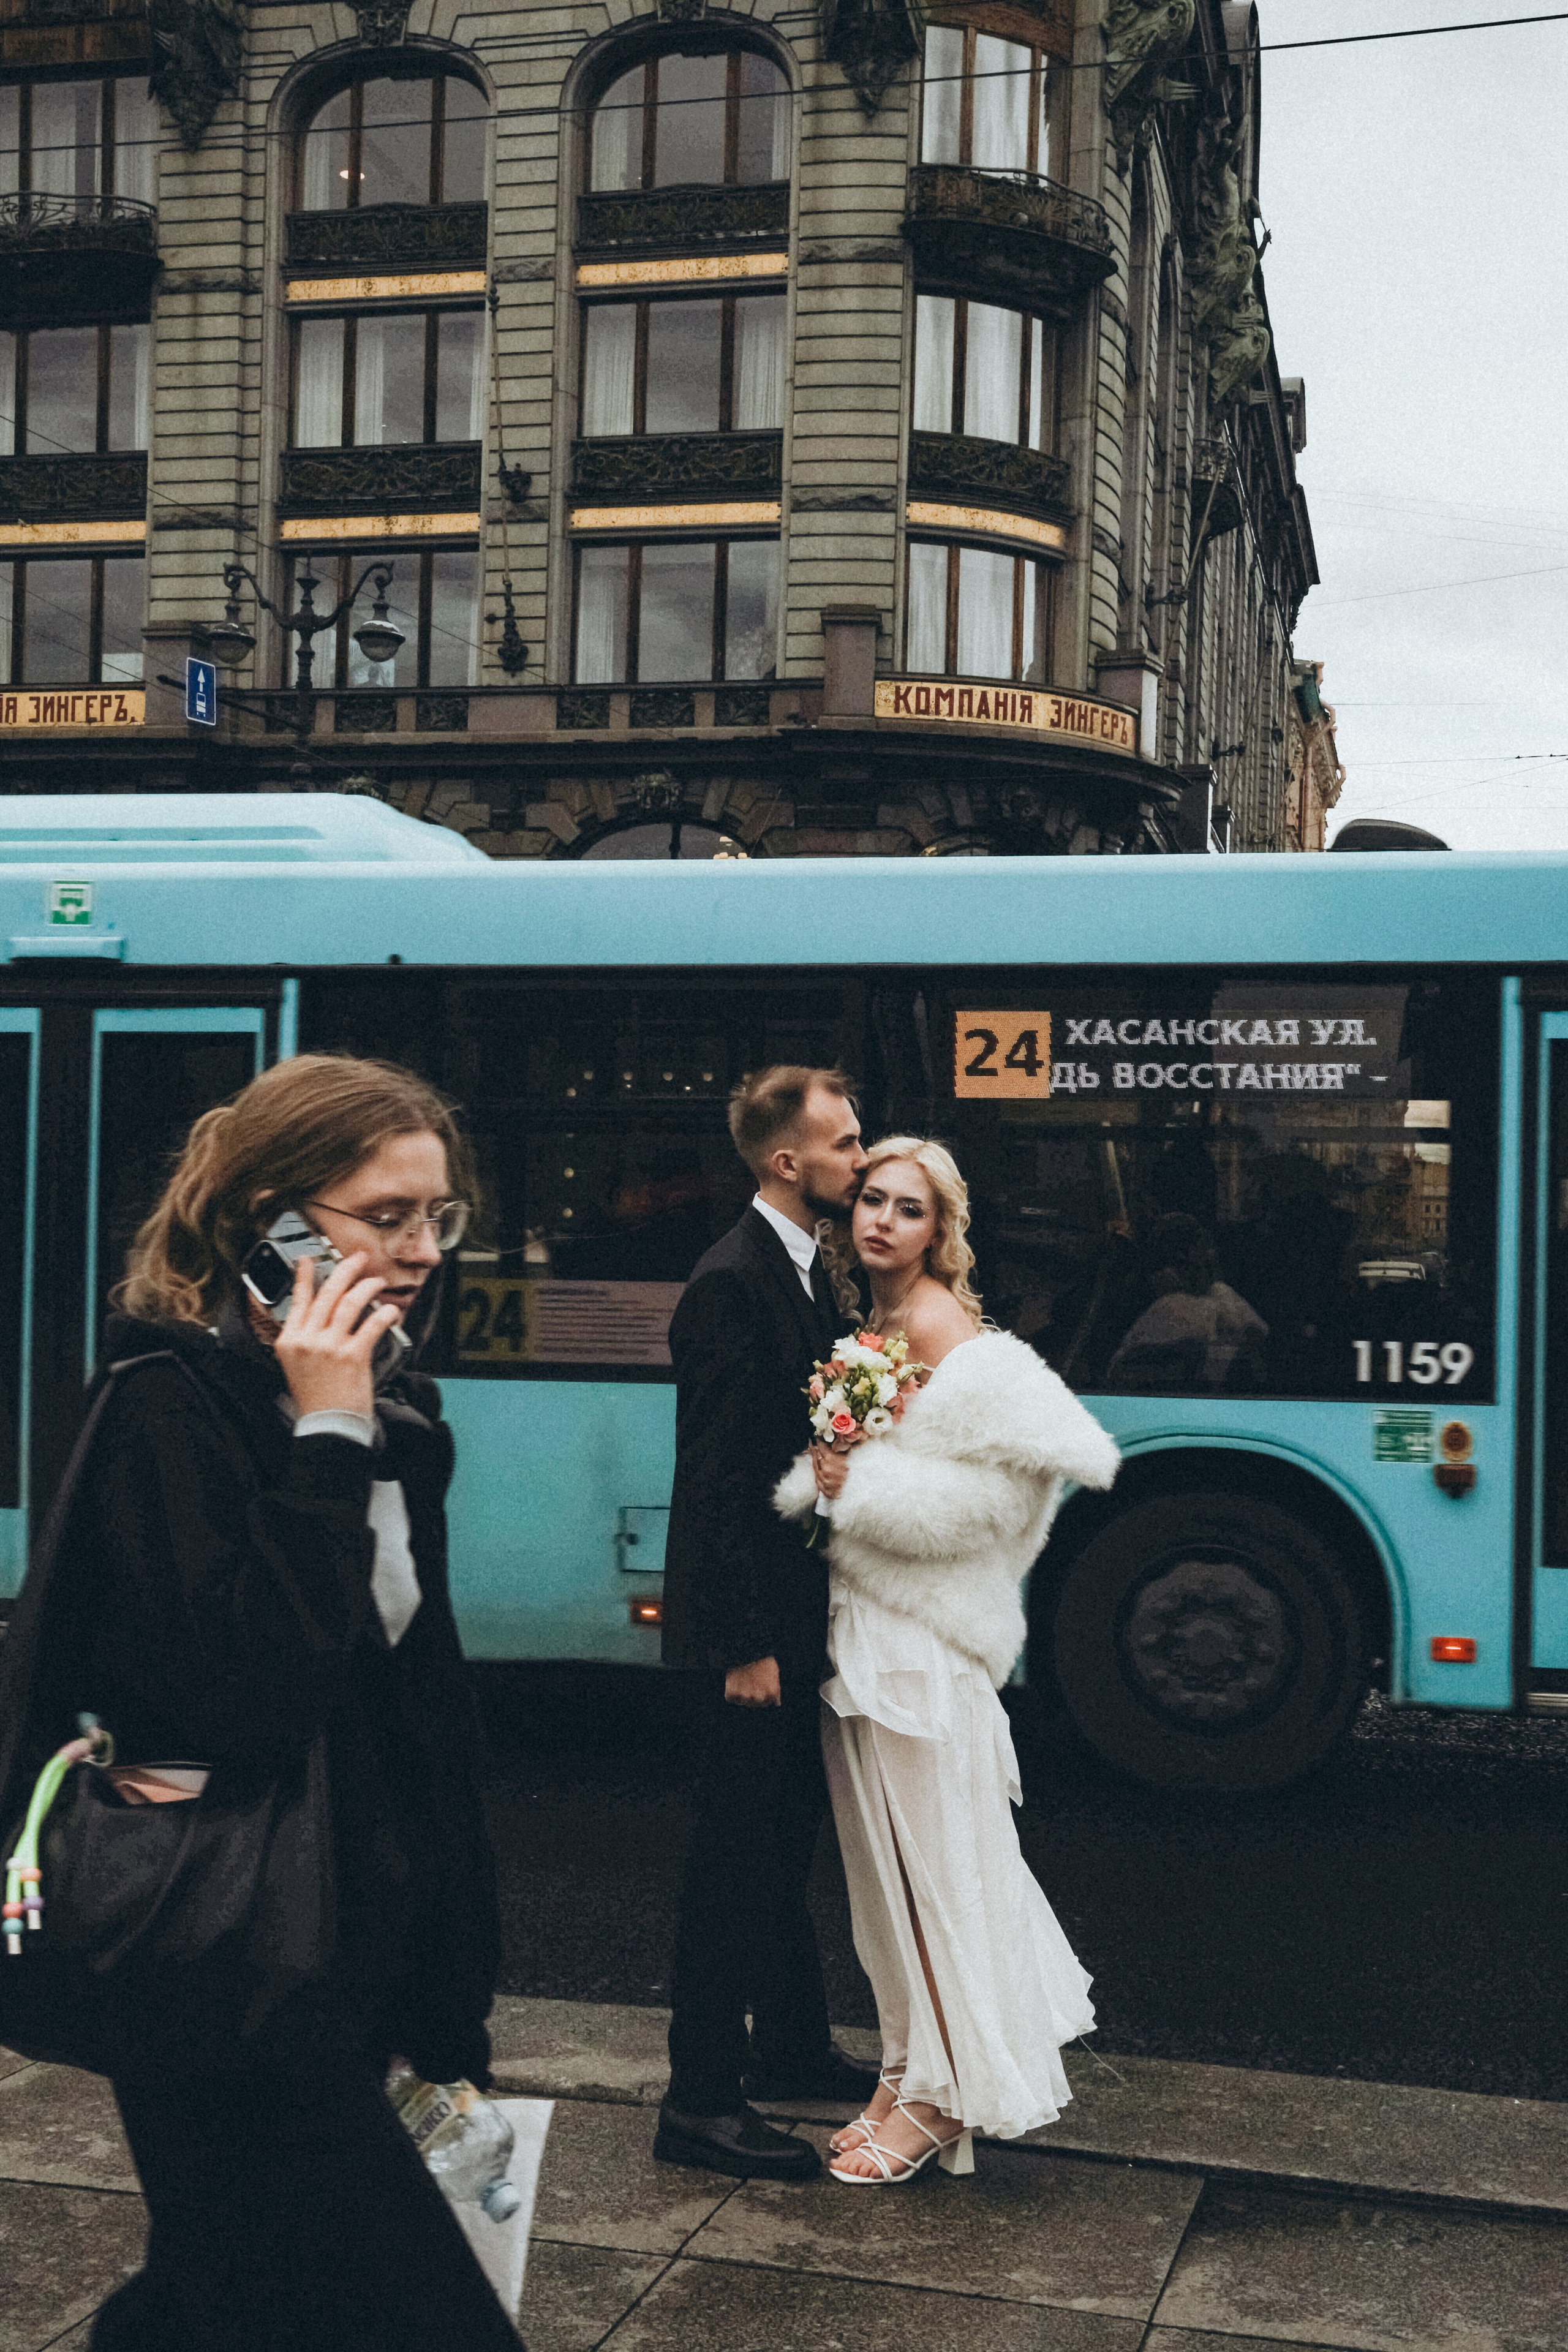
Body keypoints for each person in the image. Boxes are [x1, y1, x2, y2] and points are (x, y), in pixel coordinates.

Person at [10, 1055, 520, 2350]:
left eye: (437, 1218)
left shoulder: (403, 1411)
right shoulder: (165, 1414)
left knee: (216, 2299)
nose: (420, 1251)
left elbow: (421, 1720)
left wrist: (450, 1989)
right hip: (227, 1967)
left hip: (360, 1949)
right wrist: (324, 1442)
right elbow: (245, 1699)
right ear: (276, 1220)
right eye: (385, 1214)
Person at [776, 1137, 1120, 2185]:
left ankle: (939, 2100)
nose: (882, 1220)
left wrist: (849, 1489)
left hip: (918, 1639)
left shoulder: (940, 1325)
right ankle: (903, 2069)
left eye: (909, 1209)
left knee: (932, 1871)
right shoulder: (874, 1323)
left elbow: (1004, 1500)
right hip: (869, 1623)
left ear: (942, 1230)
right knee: (883, 1869)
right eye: (871, 1199)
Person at [656, 1066, 880, 2180]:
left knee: (784, 1841)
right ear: (787, 1163)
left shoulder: (800, 1272)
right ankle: (698, 2099)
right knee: (733, 1863)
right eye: (844, 1144)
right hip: (753, 1634)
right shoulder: (731, 1283)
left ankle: (788, 2047)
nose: (861, 1157)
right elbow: (714, 1482)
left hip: (794, 1618)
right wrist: (744, 1644)